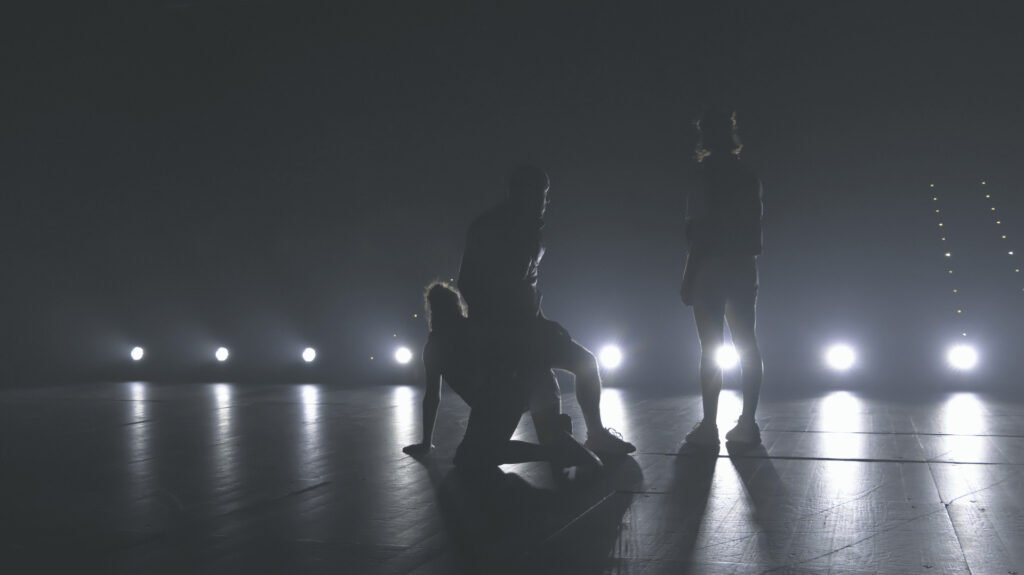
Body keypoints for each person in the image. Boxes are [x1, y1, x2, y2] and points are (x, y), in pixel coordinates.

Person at [457, 165, 635, 456]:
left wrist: (541, 322)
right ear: (523, 193)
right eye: (541, 195)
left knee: (582, 365)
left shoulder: (526, 230)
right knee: (578, 366)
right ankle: (579, 440)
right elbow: (471, 284)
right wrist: (501, 330)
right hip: (507, 335)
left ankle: (575, 441)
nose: (545, 202)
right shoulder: (494, 229)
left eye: (545, 196)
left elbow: (523, 291)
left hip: (523, 330)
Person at [403, 281, 601, 471]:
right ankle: (557, 437)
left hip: (503, 396)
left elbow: (432, 397)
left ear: (432, 311)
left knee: (472, 456)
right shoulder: (473, 328)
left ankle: (555, 450)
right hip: (527, 385)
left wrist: (426, 442)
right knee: (474, 453)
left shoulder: (435, 347)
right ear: (456, 305)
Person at [681, 109, 765, 447]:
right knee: (747, 345)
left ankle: (709, 426)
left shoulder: (703, 176)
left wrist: (689, 276)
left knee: (711, 349)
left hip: (710, 269)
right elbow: (754, 231)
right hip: (742, 266)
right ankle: (748, 423)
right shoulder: (748, 174)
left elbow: (700, 232)